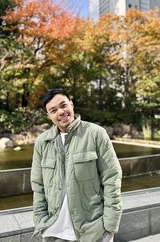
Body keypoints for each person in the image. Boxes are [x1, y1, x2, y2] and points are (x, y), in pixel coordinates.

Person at [31, 89, 123, 242]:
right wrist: (40, 219)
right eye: (53, 110)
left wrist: (110, 225)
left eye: (63, 105)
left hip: (93, 229)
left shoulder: (95, 133)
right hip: (54, 230)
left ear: (71, 105)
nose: (60, 112)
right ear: (49, 116)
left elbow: (112, 178)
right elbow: (37, 185)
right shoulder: (42, 142)